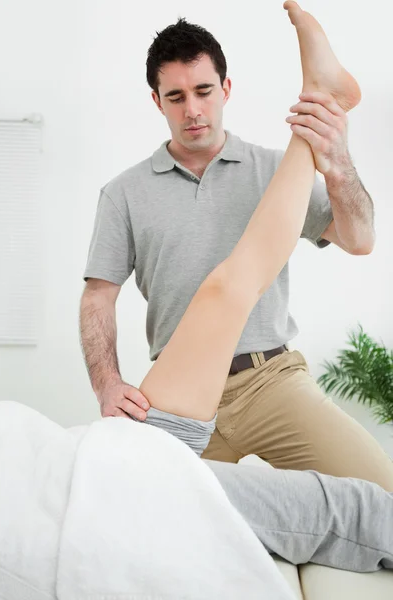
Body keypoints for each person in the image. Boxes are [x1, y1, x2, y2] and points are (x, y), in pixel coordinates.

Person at [80, 1, 393, 573]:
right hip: (181, 392)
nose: (192, 109)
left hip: (271, 380)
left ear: (227, 87)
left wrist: (338, 160)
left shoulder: (273, 171)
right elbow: (98, 295)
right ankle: (322, 88)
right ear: (157, 102)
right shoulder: (123, 194)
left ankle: (323, 96)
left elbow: (361, 238)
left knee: (387, 501)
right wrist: (107, 382)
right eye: (175, 97)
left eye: (204, 90)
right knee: (121, 518)